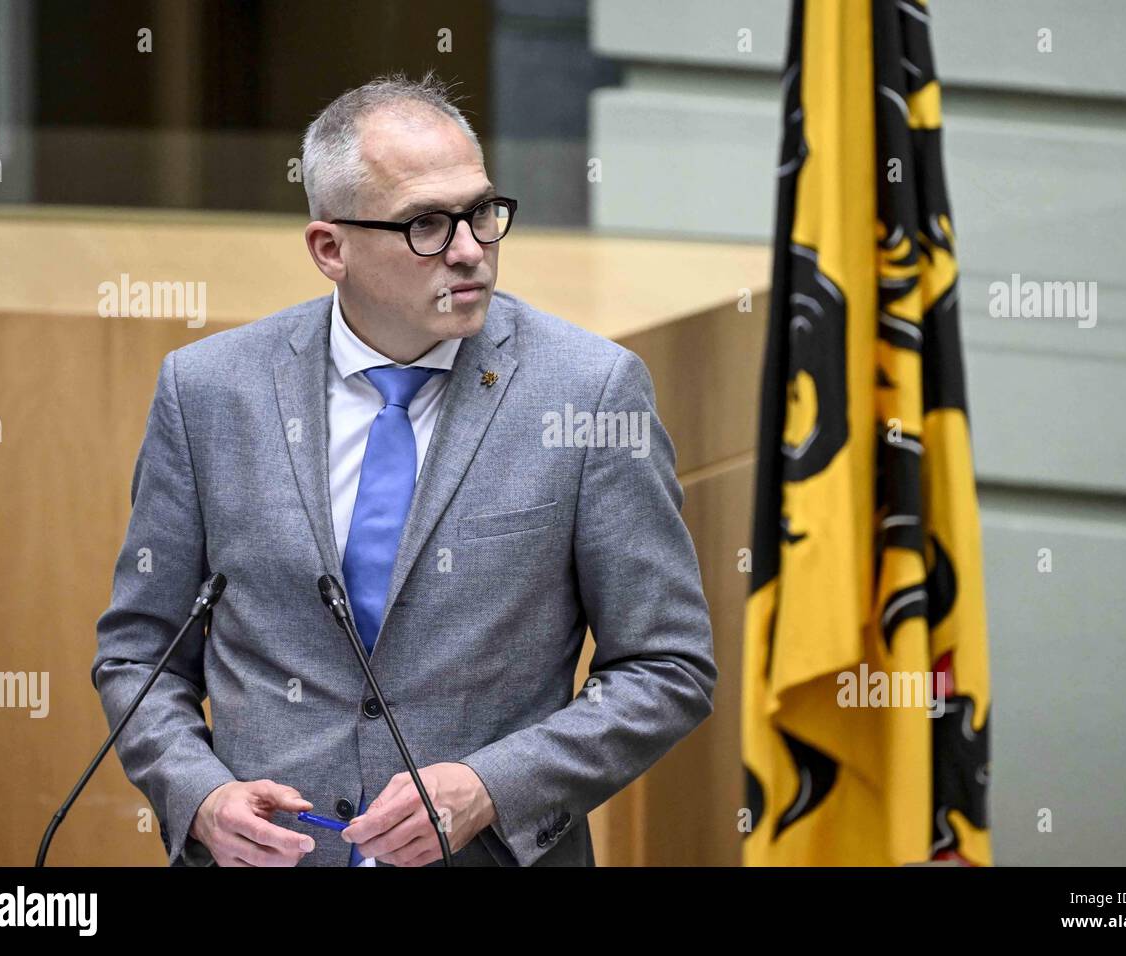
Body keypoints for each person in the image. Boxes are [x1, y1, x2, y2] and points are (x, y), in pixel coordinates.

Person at [91, 70, 716, 867]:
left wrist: (491, 785)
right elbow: (138, 654)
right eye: (426, 224)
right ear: (330, 248)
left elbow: (668, 666)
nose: (469, 251)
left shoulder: (590, 392)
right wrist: (201, 795)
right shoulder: (209, 391)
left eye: (482, 213)